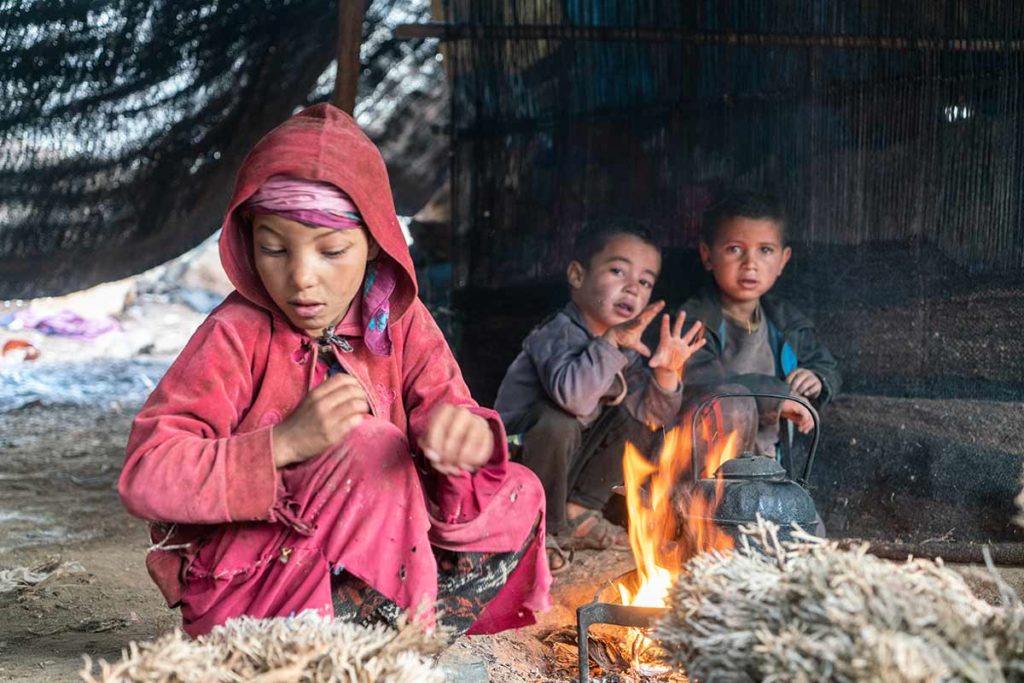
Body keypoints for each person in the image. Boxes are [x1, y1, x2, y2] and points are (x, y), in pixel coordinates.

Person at [118, 104, 550, 639]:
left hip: (385, 562)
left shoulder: (403, 321)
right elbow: (146, 473)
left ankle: (403, 629)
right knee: (369, 446)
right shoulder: (234, 333)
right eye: (273, 248)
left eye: (332, 250)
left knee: (518, 491)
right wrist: (280, 445)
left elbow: (452, 407)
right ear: (247, 239)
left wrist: (460, 437)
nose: (302, 278)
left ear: (373, 244)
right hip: (261, 585)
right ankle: (343, 646)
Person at [494, 226, 705, 571]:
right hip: (514, 463)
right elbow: (573, 398)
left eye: (645, 281)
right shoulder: (555, 332)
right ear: (577, 276)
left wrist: (667, 374)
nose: (632, 287)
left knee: (633, 419)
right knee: (558, 420)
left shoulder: (627, 348)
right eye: (618, 271)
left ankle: (580, 513)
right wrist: (609, 345)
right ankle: (537, 530)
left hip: (567, 467)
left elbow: (652, 419)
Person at [680, 191, 841, 461]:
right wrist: (777, 396)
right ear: (707, 255)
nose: (750, 264)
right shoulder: (694, 321)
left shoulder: (787, 322)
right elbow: (702, 384)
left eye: (765, 250)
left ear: (783, 260)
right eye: (734, 249)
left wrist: (817, 378)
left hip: (772, 459)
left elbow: (828, 366)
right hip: (707, 463)